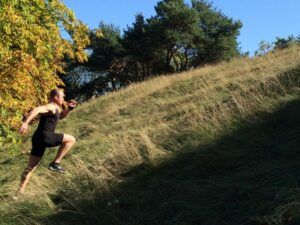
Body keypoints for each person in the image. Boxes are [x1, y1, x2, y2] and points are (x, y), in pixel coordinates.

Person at [16, 88, 77, 195]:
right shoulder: (51, 106)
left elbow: (61, 116)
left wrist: (69, 109)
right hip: (46, 136)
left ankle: (19, 192)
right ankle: (55, 163)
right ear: (55, 97)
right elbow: (37, 109)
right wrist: (25, 123)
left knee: (30, 167)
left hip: (37, 138)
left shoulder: (55, 108)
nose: (64, 98)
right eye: (62, 96)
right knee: (71, 139)